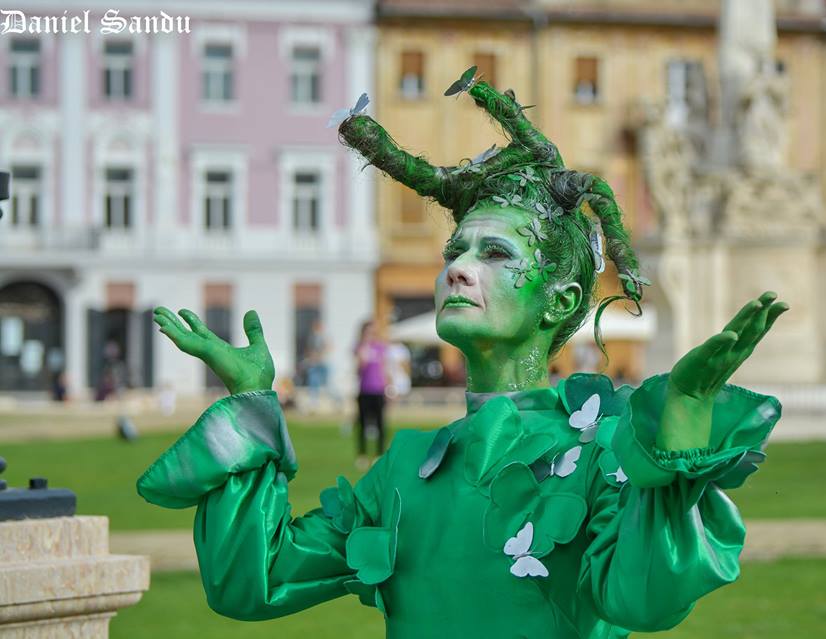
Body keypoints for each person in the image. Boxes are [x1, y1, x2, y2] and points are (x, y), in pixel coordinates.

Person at [138, 72, 788, 637]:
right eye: (455, 252)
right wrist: (251, 403)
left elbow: (644, 599)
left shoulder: (600, 453)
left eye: (495, 253)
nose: (460, 269)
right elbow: (256, 581)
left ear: (559, 302)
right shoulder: (403, 472)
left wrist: (679, 429)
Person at [354, 320, 389, 469]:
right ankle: (362, 455)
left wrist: (388, 387)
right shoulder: (360, 347)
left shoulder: (381, 347)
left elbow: (384, 368)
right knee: (362, 424)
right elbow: (359, 368)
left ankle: (378, 454)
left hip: (379, 390)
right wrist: (364, 350)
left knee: (381, 424)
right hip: (364, 390)